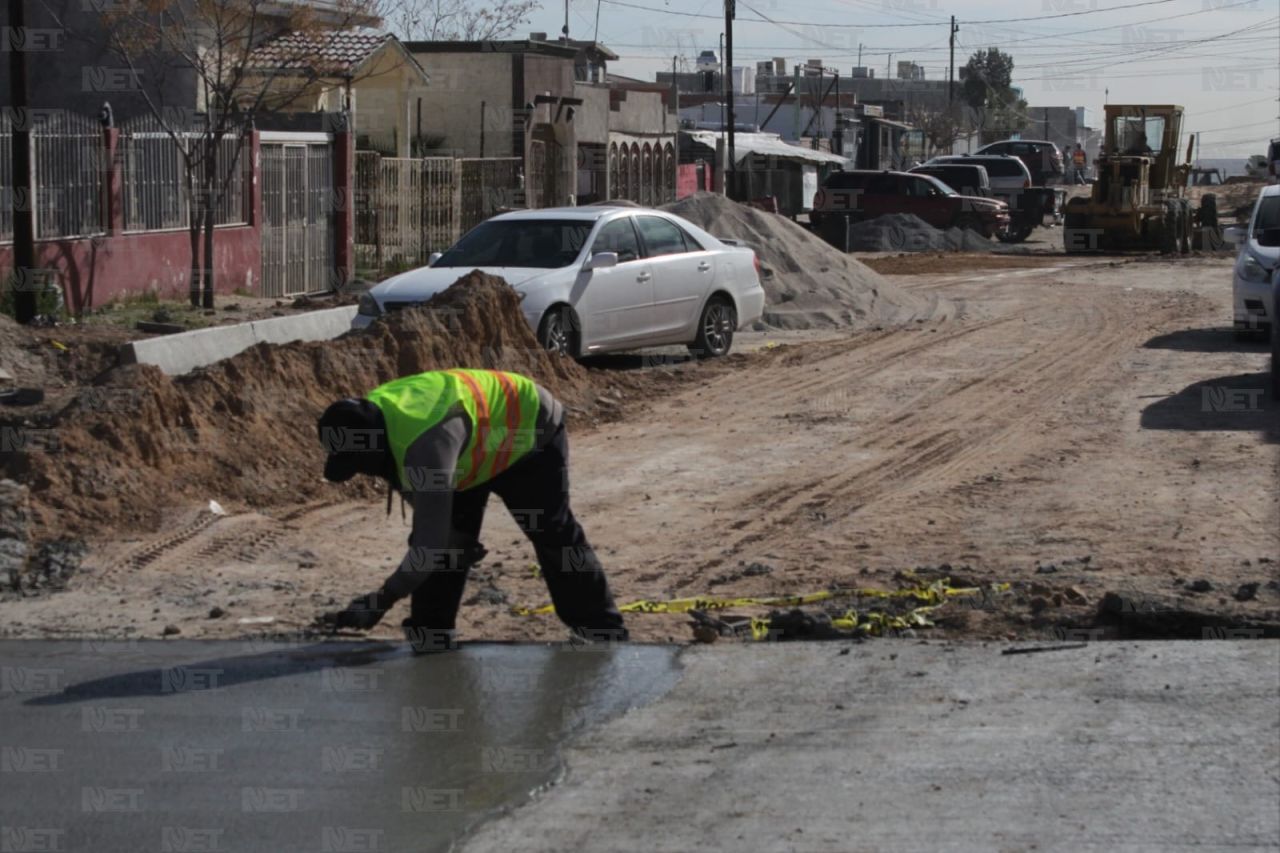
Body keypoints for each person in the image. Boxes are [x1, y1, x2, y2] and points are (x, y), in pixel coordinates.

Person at [316, 369, 627, 650]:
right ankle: (432, 635)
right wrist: (453, 538)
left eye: (360, 464)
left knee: (552, 532)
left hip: (529, 432)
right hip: (470, 448)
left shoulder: (426, 448)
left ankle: (601, 630)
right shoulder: (373, 417)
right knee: (446, 546)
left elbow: (429, 544)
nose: (364, 472)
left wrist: (380, 600)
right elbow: (424, 510)